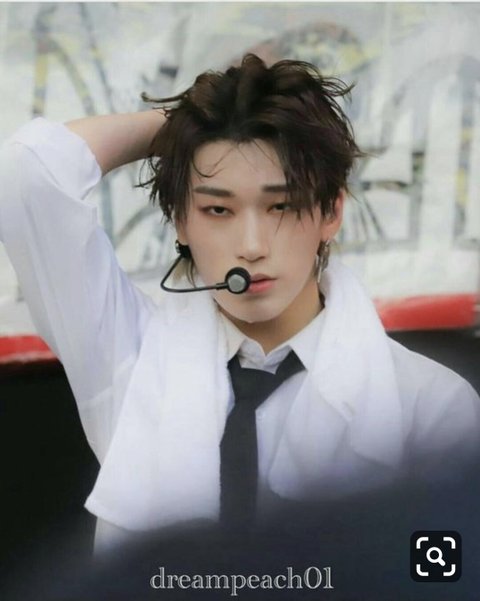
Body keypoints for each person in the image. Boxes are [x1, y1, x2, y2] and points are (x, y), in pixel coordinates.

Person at [0, 54, 479, 555]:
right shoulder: (130, 356)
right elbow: (29, 172)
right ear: (180, 221)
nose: (251, 246)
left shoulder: (429, 407)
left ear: (331, 211)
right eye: (217, 209)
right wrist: (186, 127)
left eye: (281, 206)